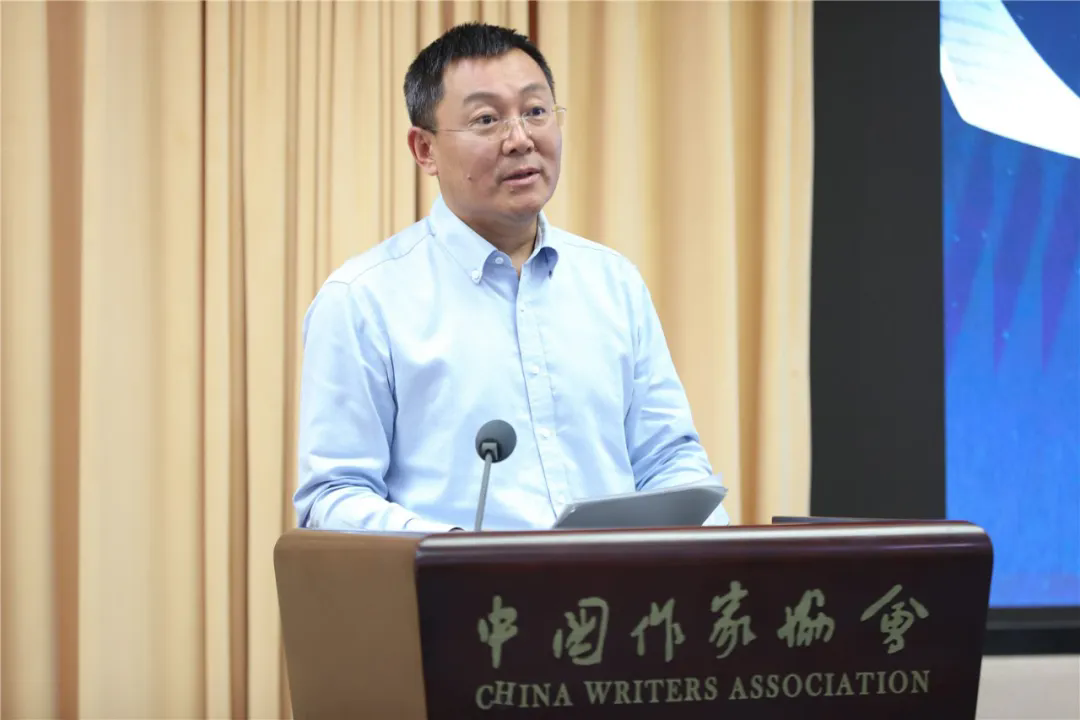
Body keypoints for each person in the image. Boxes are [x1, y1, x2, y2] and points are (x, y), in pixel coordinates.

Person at [293, 22, 729, 532]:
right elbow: (334, 496)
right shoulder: (363, 300)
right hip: (458, 584)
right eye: (486, 119)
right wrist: (458, 555)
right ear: (424, 149)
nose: (520, 139)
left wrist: (721, 552)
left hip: (612, 583)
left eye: (536, 111)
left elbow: (668, 459)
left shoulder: (614, 283)